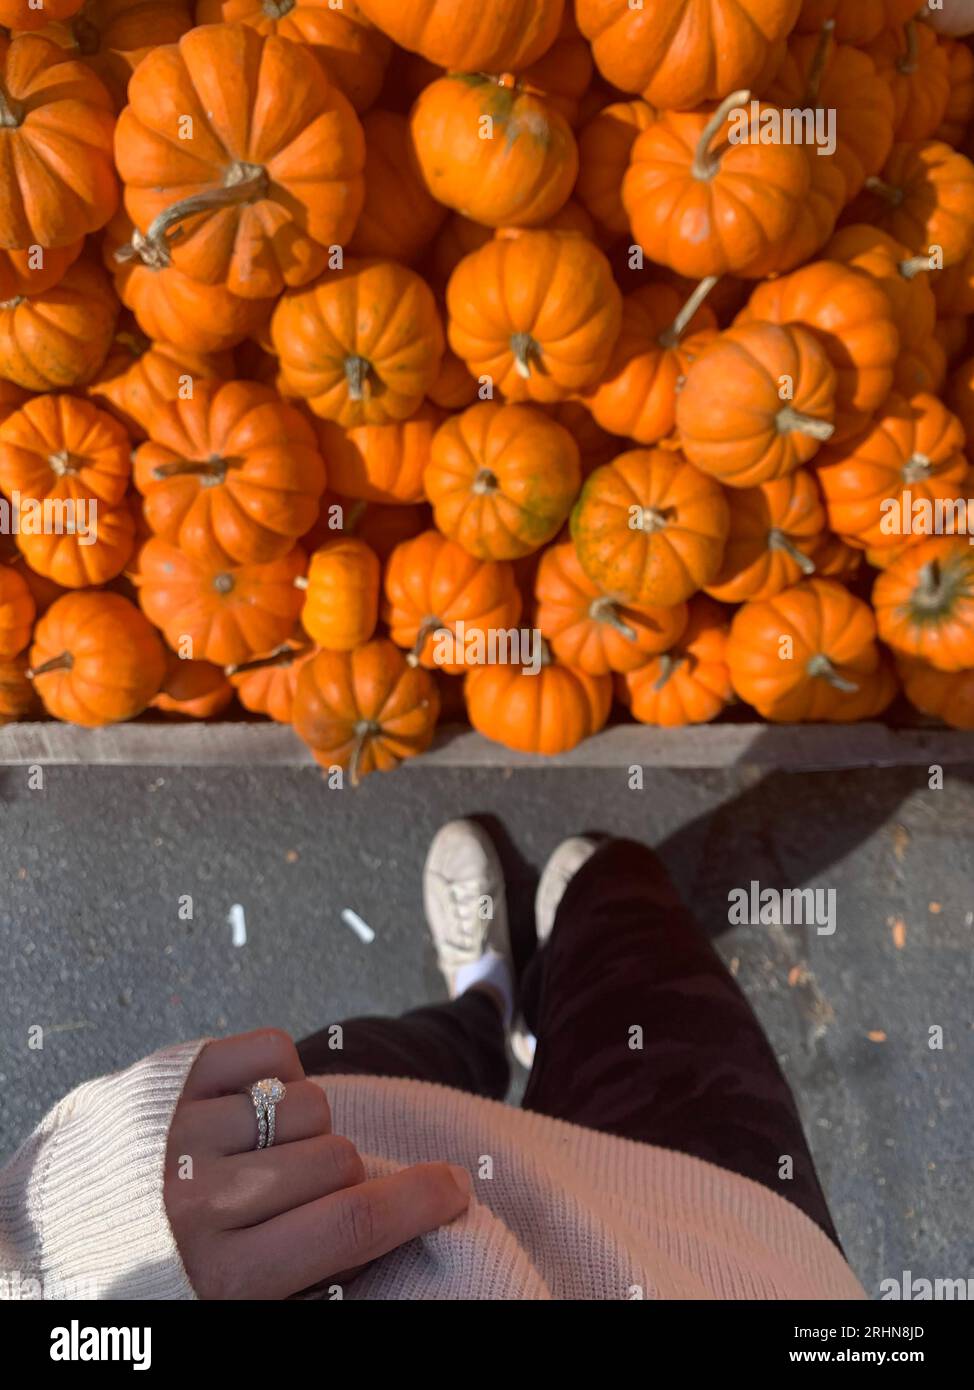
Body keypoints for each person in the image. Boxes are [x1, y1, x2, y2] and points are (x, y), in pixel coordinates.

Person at [0, 823, 864, 1300]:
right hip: (718, 1250)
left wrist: (76, 1273)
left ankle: (485, 1007)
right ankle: (576, 941)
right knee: (636, 954)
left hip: (306, 1182)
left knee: (414, 1058)